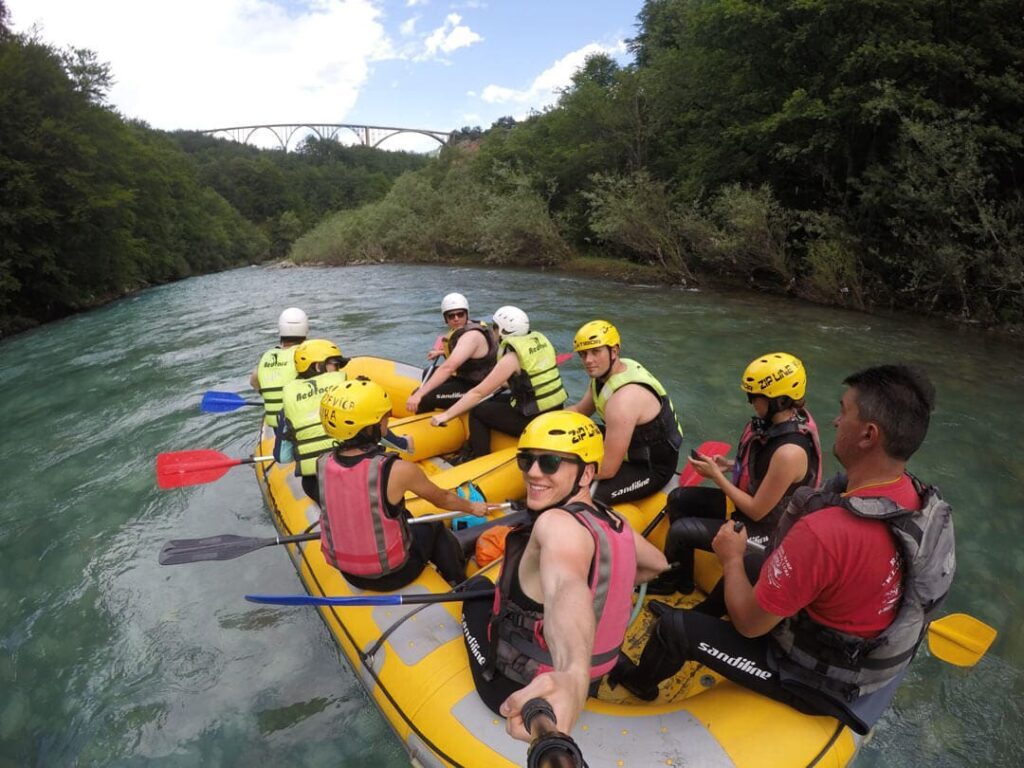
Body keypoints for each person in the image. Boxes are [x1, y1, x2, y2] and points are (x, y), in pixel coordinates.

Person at [609, 364, 955, 737]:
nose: (836, 421)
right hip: (856, 644)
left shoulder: (824, 532)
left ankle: (640, 682)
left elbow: (750, 623)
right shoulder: (915, 499)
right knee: (753, 566)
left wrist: (731, 558)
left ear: (869, 434)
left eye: (844, 411)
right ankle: (704, 612)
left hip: (817, 680)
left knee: (675, 627)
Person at [460, 411, 668, 743]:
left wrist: (573, 674)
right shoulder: (614, 520)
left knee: (476, 589)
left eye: (550, 463)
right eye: (526, 460)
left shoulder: (554, 524)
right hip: (596, 673)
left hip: (526, 685)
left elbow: (564, 585)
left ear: (586, 473)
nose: (533, 472)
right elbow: (657, 564)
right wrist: (604, 582)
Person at [647, 352, 822, 600]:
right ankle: (683, 580)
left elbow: (757, 511)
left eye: (754, 396)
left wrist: (716, 477)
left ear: (780, 401)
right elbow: (764, 470)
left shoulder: (790, 452)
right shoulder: (776, 423)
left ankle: (671, 582)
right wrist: (729, 465)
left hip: (768, 530)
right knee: (677, 498)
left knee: (681, 531)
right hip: (752, 510)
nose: (750, 402)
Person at [317, 379, 492, 589]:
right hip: (393, 574)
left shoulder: (323, 462)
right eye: (384, 416)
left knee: (402, 516)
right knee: (433, 526)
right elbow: (443, 499)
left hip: (348, 573)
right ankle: (459, 582)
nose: (388, 419)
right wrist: (473, 507)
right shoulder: (397, 470)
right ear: (370, 427)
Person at [567, 320, 684, 505]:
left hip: (650, 468)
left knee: (574, 495)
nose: (588, 360)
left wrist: (564, 471)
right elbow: (580, 411)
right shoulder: (606, 375)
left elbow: (607, 470)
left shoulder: (624, 400)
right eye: (583, 354)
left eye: (595, 352)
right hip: (630, 445)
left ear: (614, 351)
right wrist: (546, 424)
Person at [430, 306, 568, 460]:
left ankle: (478, 458)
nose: (493, 330)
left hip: (534, 419)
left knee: (477, 411)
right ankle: (470, 447)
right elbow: (533, 378)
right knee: (492, 400)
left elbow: (478, 393)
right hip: (554, 408)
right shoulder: (540, 344)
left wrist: (446, 415)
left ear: (504, 330)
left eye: (495, 327)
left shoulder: (511, 358)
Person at [278, 338, 349, 504]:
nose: (338, 369)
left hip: (313, 484)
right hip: (348, 472)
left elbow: (283, 456)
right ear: (318, 366)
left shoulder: (288, 402)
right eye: (335, 364)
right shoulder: (345, 390)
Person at [406, 292, 498, 414]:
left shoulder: (471, 336)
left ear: (466, 314)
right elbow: (468, 353)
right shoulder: (465, 329)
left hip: (478, 387)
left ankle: (430, 417)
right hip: (467, 378)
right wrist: (441, 352)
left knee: (423, 397)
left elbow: (448, 368)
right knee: (429, 372)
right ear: (446, 318)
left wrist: (419, 394)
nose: (456, 319)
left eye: (460, 314)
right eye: (451, 316)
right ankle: (434, 410)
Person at [250, 307, 308, 427]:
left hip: (277, 425)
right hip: (299, 422)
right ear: (306, 329)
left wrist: (267, 396)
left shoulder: (267, 357)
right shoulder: (306, 354)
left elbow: (253, 380)